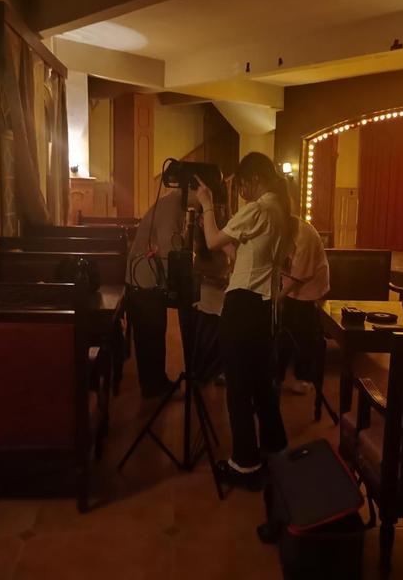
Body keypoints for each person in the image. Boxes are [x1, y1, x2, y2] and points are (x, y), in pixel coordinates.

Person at [196, 152, 295, 490]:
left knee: (239, 389)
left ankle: (246, 465)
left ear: (255, 179)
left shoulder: (258, 209)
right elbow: (246, 256)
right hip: (262, 309)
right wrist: (225, 241)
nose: (241, 192)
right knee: (261, 385)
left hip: (242, 307)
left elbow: (211, 241)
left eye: (242, 185)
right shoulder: (280, 211)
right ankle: (275, 448)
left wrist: (206, 205)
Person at [126, 188, 195, 398]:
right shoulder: (172, 205)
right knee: (151, 335)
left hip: (146, 277)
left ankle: (157, 383)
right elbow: (168, 250)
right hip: (144, 279)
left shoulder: (175, 203)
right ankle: (153, 387)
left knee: (154, 333)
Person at [276, 181, 330, 395]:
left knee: (302, 333)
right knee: (283, 331)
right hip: (291, 288)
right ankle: (278, 375)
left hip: (310, 291)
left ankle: (303, 378)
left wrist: (277, 298)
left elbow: (299, 275)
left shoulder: (304, 234)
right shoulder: (281, 229)